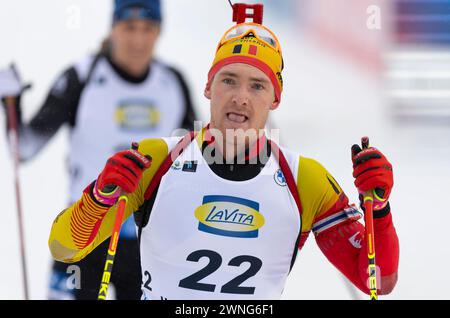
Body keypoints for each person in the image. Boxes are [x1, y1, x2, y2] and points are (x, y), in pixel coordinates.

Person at [48, 4, 399, 300]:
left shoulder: (304, 180)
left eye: (257, 85)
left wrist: (379, 209)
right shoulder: (157, 161)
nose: (241, 97)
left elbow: (377, 280)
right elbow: (65, 248)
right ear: (207, 87)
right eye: (228, 80)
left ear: (275, 98)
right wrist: (99, 197)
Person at [1, 0, 196, 300]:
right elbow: (23, 149)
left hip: (147, 243)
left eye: (148, 28)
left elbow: (195, 160)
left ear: (159, 31)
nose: (138, 40)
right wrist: (10, 103)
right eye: (129, 27)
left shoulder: (173, 83)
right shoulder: (81, 78)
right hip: (84, 235)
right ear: (113, 27)